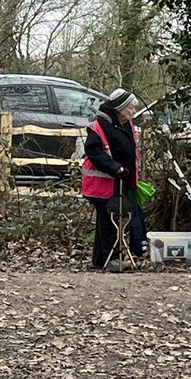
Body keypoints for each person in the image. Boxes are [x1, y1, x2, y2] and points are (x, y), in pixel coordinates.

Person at [81, 89, 142, 272]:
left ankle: (101, 260)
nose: (133, 111)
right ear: (120, 108)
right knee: (110, 219)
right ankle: (112, 259)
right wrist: (115, 167)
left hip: (120, 181)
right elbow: (94, 152)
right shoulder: (98, 126)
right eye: (130, 108)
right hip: (101, 183)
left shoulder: (126, 125)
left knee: (107, 219)